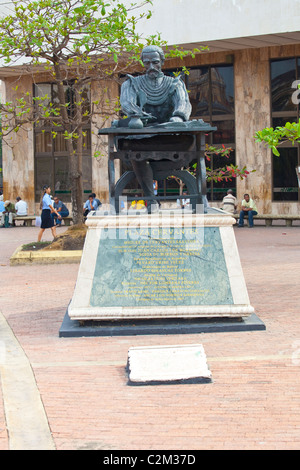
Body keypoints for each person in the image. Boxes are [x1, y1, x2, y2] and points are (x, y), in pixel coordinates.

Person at [119, 45, 192, 211]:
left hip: (169, 136)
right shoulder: (132, 84)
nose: (151, 67)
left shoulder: (175, 84)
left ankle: (152, 177)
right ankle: (151, 200)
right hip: (141, 139)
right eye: (147, 63)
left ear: (162, 62)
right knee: (135, 153)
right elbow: (127, 104)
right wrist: (137, 114)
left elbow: (183, 104)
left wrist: (178, 116)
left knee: (187, 143)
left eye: (155, 62)